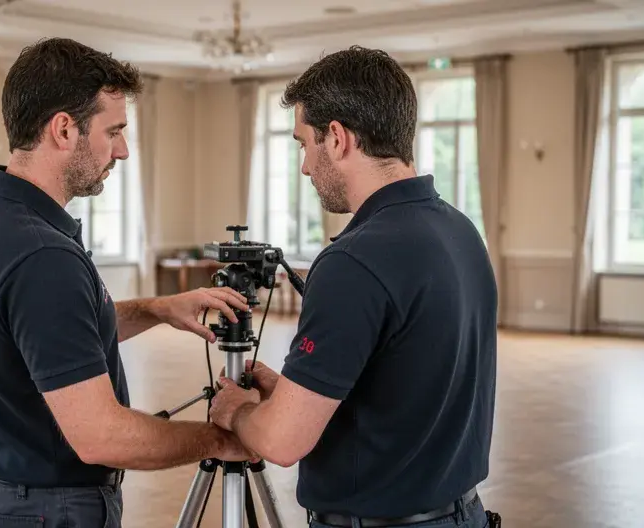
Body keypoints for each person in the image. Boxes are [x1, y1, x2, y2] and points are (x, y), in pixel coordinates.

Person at [0, 37, 253, 527]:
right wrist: (223, 438)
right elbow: (102, 436)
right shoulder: (41, 254)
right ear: (64, 129)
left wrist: (157, 308)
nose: (124, 151)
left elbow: (55, 338)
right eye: (114, 131)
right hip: (49, 509)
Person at [208, 46, 500, 528]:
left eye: (304, 143)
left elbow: (282, 442)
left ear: (338, 138)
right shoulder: (461, 231)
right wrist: (293, 396)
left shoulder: (354, 260)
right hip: (461, 513)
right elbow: (404, 392)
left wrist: (238, 412)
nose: (304, 166)